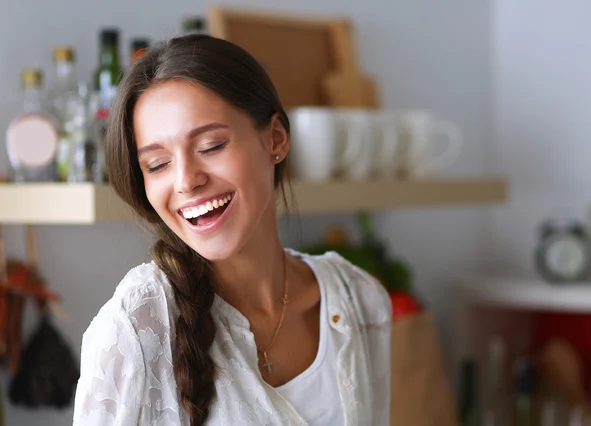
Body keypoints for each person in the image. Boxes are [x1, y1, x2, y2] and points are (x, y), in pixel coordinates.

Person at [72, 34, 391, 426]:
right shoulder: (135, 329)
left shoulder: (360, 302)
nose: (186, 181)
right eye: (157, 165)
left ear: (275, 139)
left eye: (210, 146)